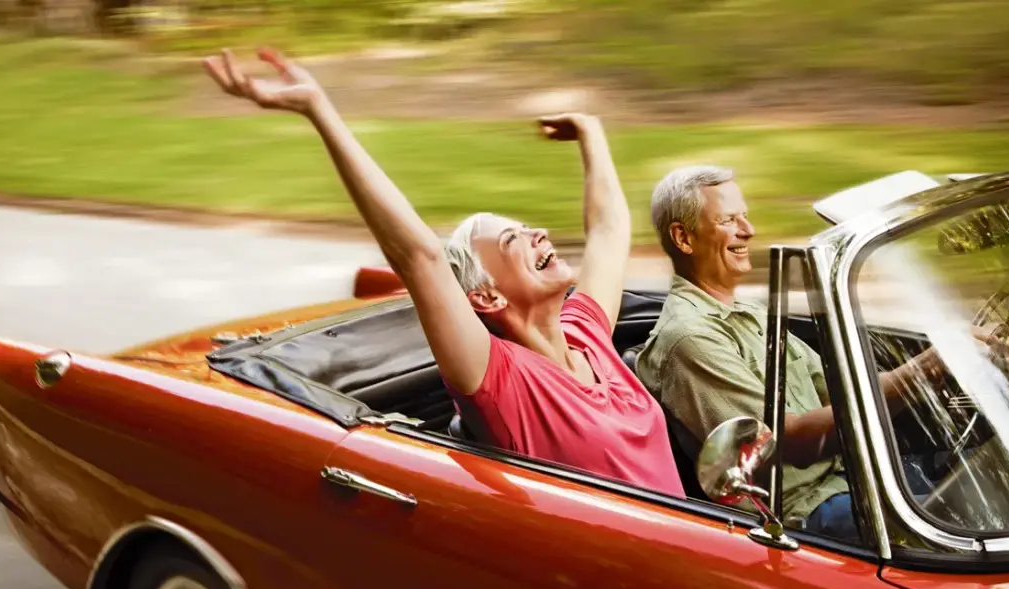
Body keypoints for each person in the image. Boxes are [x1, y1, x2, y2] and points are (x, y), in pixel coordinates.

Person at [203, 48, 685, 498]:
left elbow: (607, 229)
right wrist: (318, 109)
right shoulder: (500, 380)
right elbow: (418, 256)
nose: (538, 233)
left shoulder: (585, 332)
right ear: (487, 296)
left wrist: (590, 131)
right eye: (512, 240)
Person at [635, 166, 995, 540]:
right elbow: (789, 442)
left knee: (992, 474)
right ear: (684, 237)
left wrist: (958, 361)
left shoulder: (751, 313)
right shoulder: (689, 338)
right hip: (807, 515)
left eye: (746, 215)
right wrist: (925, 371)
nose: (749, 230)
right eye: (729, 220)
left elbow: (839, 396)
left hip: (854, 478)